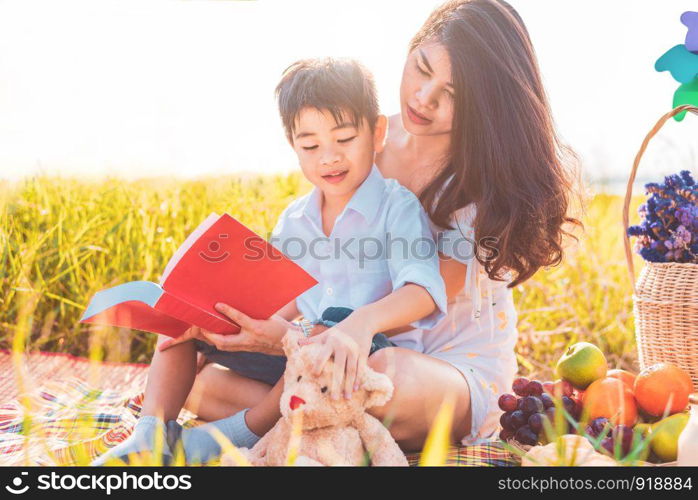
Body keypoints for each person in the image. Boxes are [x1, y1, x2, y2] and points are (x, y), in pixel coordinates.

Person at [181, 0, 581, 453]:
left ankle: (299, 422)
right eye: (422, 68)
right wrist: (259, 323)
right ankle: (322, 426)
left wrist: (287, 340)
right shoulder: (358, 137)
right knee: (202, 381)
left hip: (436, 371)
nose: (423, 98)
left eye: (451, 94)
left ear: (484, 106)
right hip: (339, 349)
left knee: (385, 375)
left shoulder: (478, 186)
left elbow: (410, 304)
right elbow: (325, 264)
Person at [92, 57, 448, 465]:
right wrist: (225, 324)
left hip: (358, 359)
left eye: (344, 139)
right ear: (294, 146)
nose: (328, 158)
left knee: (327, 324)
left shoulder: (396, 207)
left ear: (377, 132)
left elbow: (422, 290)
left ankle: (235, 433)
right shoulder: (295, 219)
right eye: (310, 146)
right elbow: (281, 302)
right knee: (186, 317)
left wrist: (355, 325)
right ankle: (150, 433)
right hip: (295, 350)